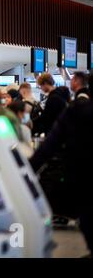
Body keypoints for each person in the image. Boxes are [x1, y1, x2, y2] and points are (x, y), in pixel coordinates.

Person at [30, 75, 93, 256]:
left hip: (84, 180)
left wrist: (28, 170)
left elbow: (50, 145)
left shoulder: (77, 110)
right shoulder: (70, 104)